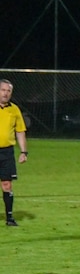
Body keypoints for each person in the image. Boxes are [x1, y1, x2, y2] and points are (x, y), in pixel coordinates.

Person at [0, 79, 29, 227]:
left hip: (6, 153)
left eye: (8, 91)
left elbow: (20, 131)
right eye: (3, 90)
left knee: (7, 184)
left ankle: (9, 218)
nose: (5, 93)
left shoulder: (14, 110)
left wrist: (24, 152)